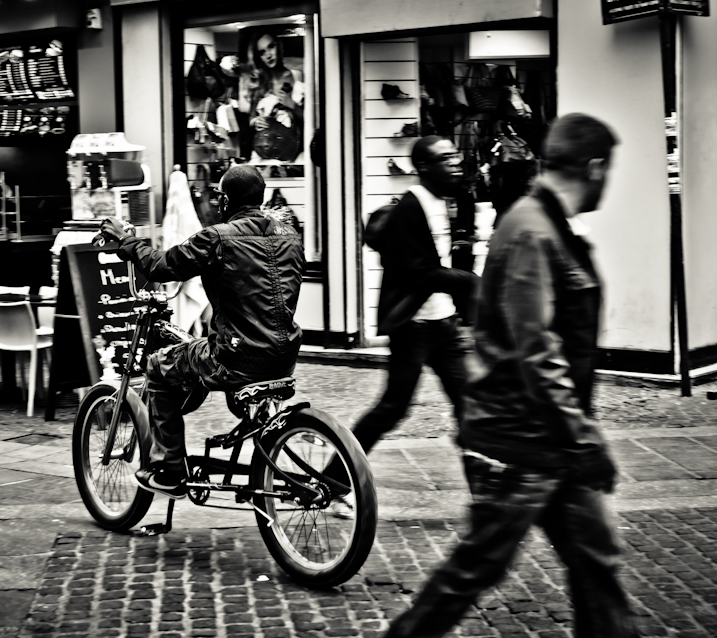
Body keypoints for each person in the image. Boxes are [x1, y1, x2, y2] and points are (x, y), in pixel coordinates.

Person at [383, 114, 638, 638]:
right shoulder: (531, 230)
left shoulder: (547, 224)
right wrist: (585, 437)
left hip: (548, 441)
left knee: (596, 563)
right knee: (475, 569)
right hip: (523, 443)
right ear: (594, 167)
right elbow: (535, 349)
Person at [96, 165, 305, 499]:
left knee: (159, 365)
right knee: (195, 352)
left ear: (224, 200)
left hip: (234, 357)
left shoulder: (217, 237)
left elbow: (159, 266)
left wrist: (126, 240)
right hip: (285, 354)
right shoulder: (291, 236)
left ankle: (170, 470)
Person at [336, 136, 478, 476]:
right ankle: (336, 481)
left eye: (455, 155)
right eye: (446, 158)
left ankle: (485, 490)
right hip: (413, 328)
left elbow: (452, 255)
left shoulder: (451, 201)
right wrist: (472, 283)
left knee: (471, 404)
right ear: (424, 167)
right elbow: (421, 273)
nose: (455, 162)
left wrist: (465, 313)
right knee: (393, 407)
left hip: (444, 324)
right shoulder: (411, 209)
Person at [242, 29, 303, 163]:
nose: (268, 55)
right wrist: (255, 122)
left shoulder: (295, 76)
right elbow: (251, 117)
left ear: (279, 46)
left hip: (291, 151)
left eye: (271, 46)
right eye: (262, 52)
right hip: (264, 152)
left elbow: (312, 119)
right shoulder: (258, 81)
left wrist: (292, 105)